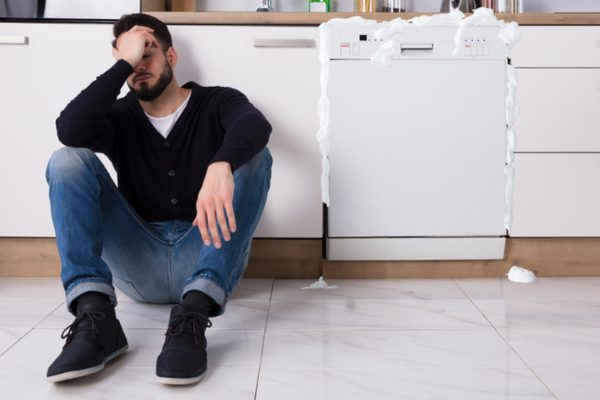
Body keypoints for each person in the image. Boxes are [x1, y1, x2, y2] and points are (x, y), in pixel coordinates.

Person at [45, 13, 272, 385]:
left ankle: (193, 317)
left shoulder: (216, 101)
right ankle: (96, 317)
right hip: (138, 263)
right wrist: (122, 63)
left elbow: (256, 125)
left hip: (204, 253)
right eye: (130, 59)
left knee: (255, 156)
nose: (138, 66)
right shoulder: (118, 117)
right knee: (66, 159)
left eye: (146, 54)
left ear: (172, 57)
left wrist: (221, 163)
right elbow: (69, 130)